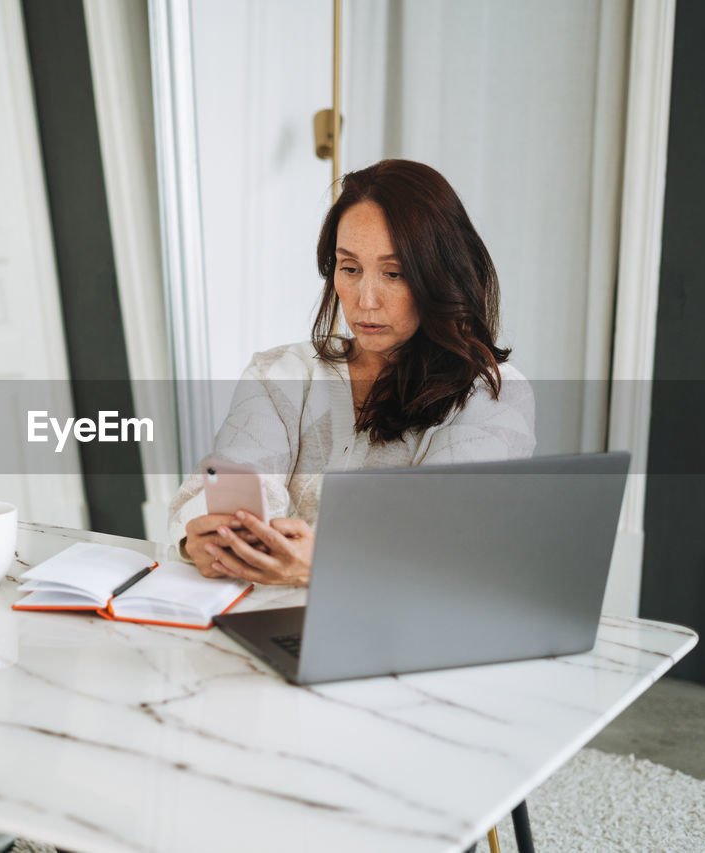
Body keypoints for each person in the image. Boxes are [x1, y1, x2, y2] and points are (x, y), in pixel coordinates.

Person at [168, 159, 536, 586]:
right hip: (259, 622)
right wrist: (205, 537)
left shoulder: (492, 395)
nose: (366, 299)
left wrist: (326, 563)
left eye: (394, 273)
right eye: (350, 268)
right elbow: (221, 488)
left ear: (439, 276)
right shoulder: (281, 372)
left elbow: (447, 542)